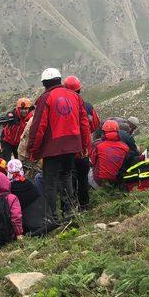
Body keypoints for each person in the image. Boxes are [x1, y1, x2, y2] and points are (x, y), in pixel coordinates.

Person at [27, 68, 91, 221]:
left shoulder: (45, 98)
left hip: (53, 148)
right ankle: (69, 211)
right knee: (66, 176)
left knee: (50, 181)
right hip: (72, 146)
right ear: (59, 79)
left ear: (44, 83)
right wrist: (84, 145)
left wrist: (33, 151)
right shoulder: (75, 97)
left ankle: (52, 217)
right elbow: (84, 124)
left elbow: (38, 128)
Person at [63, 75, 99, 210]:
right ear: (79, 90)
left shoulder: (61, 107)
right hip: (83, 148)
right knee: (82, 177)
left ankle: (69, 208)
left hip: (67, 148)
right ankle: (84, 205)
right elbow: (95, 124)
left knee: (68, 177)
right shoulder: (88, 106)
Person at [89, 120, 142, 188]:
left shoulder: (98, 145)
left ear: (103, 131)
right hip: (117, 183)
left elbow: (92, 162)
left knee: (87, 167)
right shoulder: (125, 147)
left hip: (99, 184)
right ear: (118, 131)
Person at [0, 98, 34, 162]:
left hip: (19, 143)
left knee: (19, 162)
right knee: (4, 161)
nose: (23, 111)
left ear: (29, 109)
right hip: (7, 140)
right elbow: (2, 120)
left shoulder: (31, 119)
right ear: (18, 108)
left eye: (26, 109)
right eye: (21, 109)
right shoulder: (13, 115)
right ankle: (1, 171)